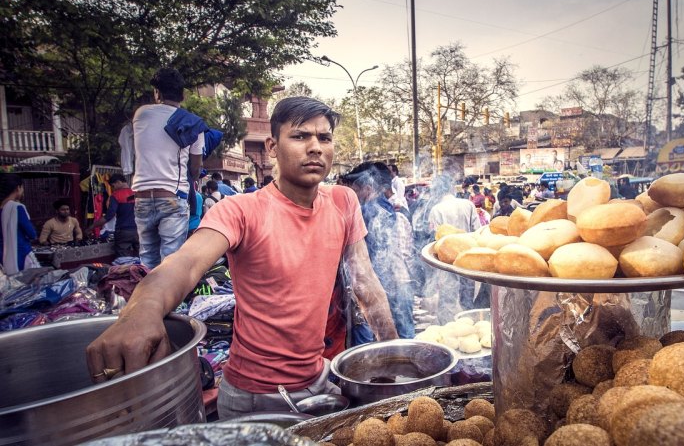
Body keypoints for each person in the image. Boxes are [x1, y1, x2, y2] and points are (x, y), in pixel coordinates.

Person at [86, 96, 397, 420]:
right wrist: (142, 310)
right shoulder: (241, 210)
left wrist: (395, 356)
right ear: (272, 146)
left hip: (318, 379)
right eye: (301, 136)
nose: (315, 147)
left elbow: (365, 281)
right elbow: (185, 263)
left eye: (324, 137)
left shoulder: (343, 201)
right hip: (255, 396)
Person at [131, 68, 204, 269]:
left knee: (147, 261)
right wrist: (193, 175)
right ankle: (172, 301)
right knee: (171, 263)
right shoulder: (192, 123)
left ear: (157, 93)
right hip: (172, 195)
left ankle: (147, 299)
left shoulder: (141, 114)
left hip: (142, 197)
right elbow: (196, 167)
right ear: (183, 95)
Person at [343, 161, 415, 341]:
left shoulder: (368, 211)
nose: (353, 196)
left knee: (390, 339)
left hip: (385, 284)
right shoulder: (388, 207)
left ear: (366, 188)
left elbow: (370, 258)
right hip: (400, 281)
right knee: (406, 335)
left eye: (355, 190)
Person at [427, 176, 481, 323]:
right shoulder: (468, 205)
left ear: (437, 192)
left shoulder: (436, 210)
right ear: (451, 188)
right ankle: (470, 324)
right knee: (468, 298)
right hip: (468, 258)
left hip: (447, 262)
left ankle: (450, 327)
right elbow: (477, 231)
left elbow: (435, 239)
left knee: (448, 300)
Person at [89, 174, 138, 257]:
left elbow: (109, 215)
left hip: (123, 231)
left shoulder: (116, 195)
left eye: (113, 186)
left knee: (123, 260)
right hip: (138, 231)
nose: (113, 189)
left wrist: (92, 227)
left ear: (118, 182)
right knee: (142, 258)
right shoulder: (136, 194)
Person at [0, 174, 38, 275]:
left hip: (2, 257)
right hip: (20, 254)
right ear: (18, 188)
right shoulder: (17, 208)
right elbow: (32, 234)